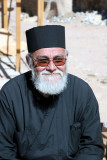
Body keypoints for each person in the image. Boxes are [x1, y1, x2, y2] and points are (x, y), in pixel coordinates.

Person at [0, 25, 104, 160]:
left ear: (66, 57)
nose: (51, 67)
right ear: (29, 61)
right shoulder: (11, 94)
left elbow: (92, 148)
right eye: (42, 61)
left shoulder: (82, 92)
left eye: (58, 60)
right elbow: (4, 150)